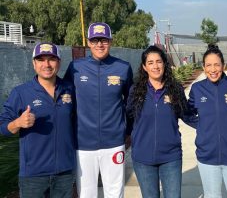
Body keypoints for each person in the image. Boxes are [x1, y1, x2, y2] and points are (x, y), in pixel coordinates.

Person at [64, 22, 133, 198]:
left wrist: (127, 131)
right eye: (95, 40)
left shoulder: (123, 68)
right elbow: (65, 99)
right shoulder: (75, 68)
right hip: (83, 142)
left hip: (114, 141)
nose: (100, 44)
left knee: (115, 192)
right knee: (86, 193)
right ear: (88, 42)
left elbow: (131, 103)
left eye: (104, 40)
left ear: (110, 41)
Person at [0, 43, 75, 197]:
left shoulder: (70, 89)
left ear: (59, 62)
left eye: (51, 59)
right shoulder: (21, 93)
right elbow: (2, 127)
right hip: (33, 176)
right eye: (41, 59)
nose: (46, 64)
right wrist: (17, 123)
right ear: (34, 64)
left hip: (65, 173)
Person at [126, 45, 198, 198]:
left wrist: (212, 124)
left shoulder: (175, 89)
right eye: (150, 62)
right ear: (144, 67)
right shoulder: (136, 91)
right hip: (143, 158)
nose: (155, 66)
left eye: (159, 61)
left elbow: (187, 115)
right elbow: (128, 117)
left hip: (171, 157)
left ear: (165, 64)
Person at [187, 44, 227, 198]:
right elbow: (188, 113)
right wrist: (202, 126)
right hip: (207, 156)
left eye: (217, 64)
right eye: (208, 65)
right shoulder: (197, 89)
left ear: (223, 65)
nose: (213, 69)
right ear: (203, 67)